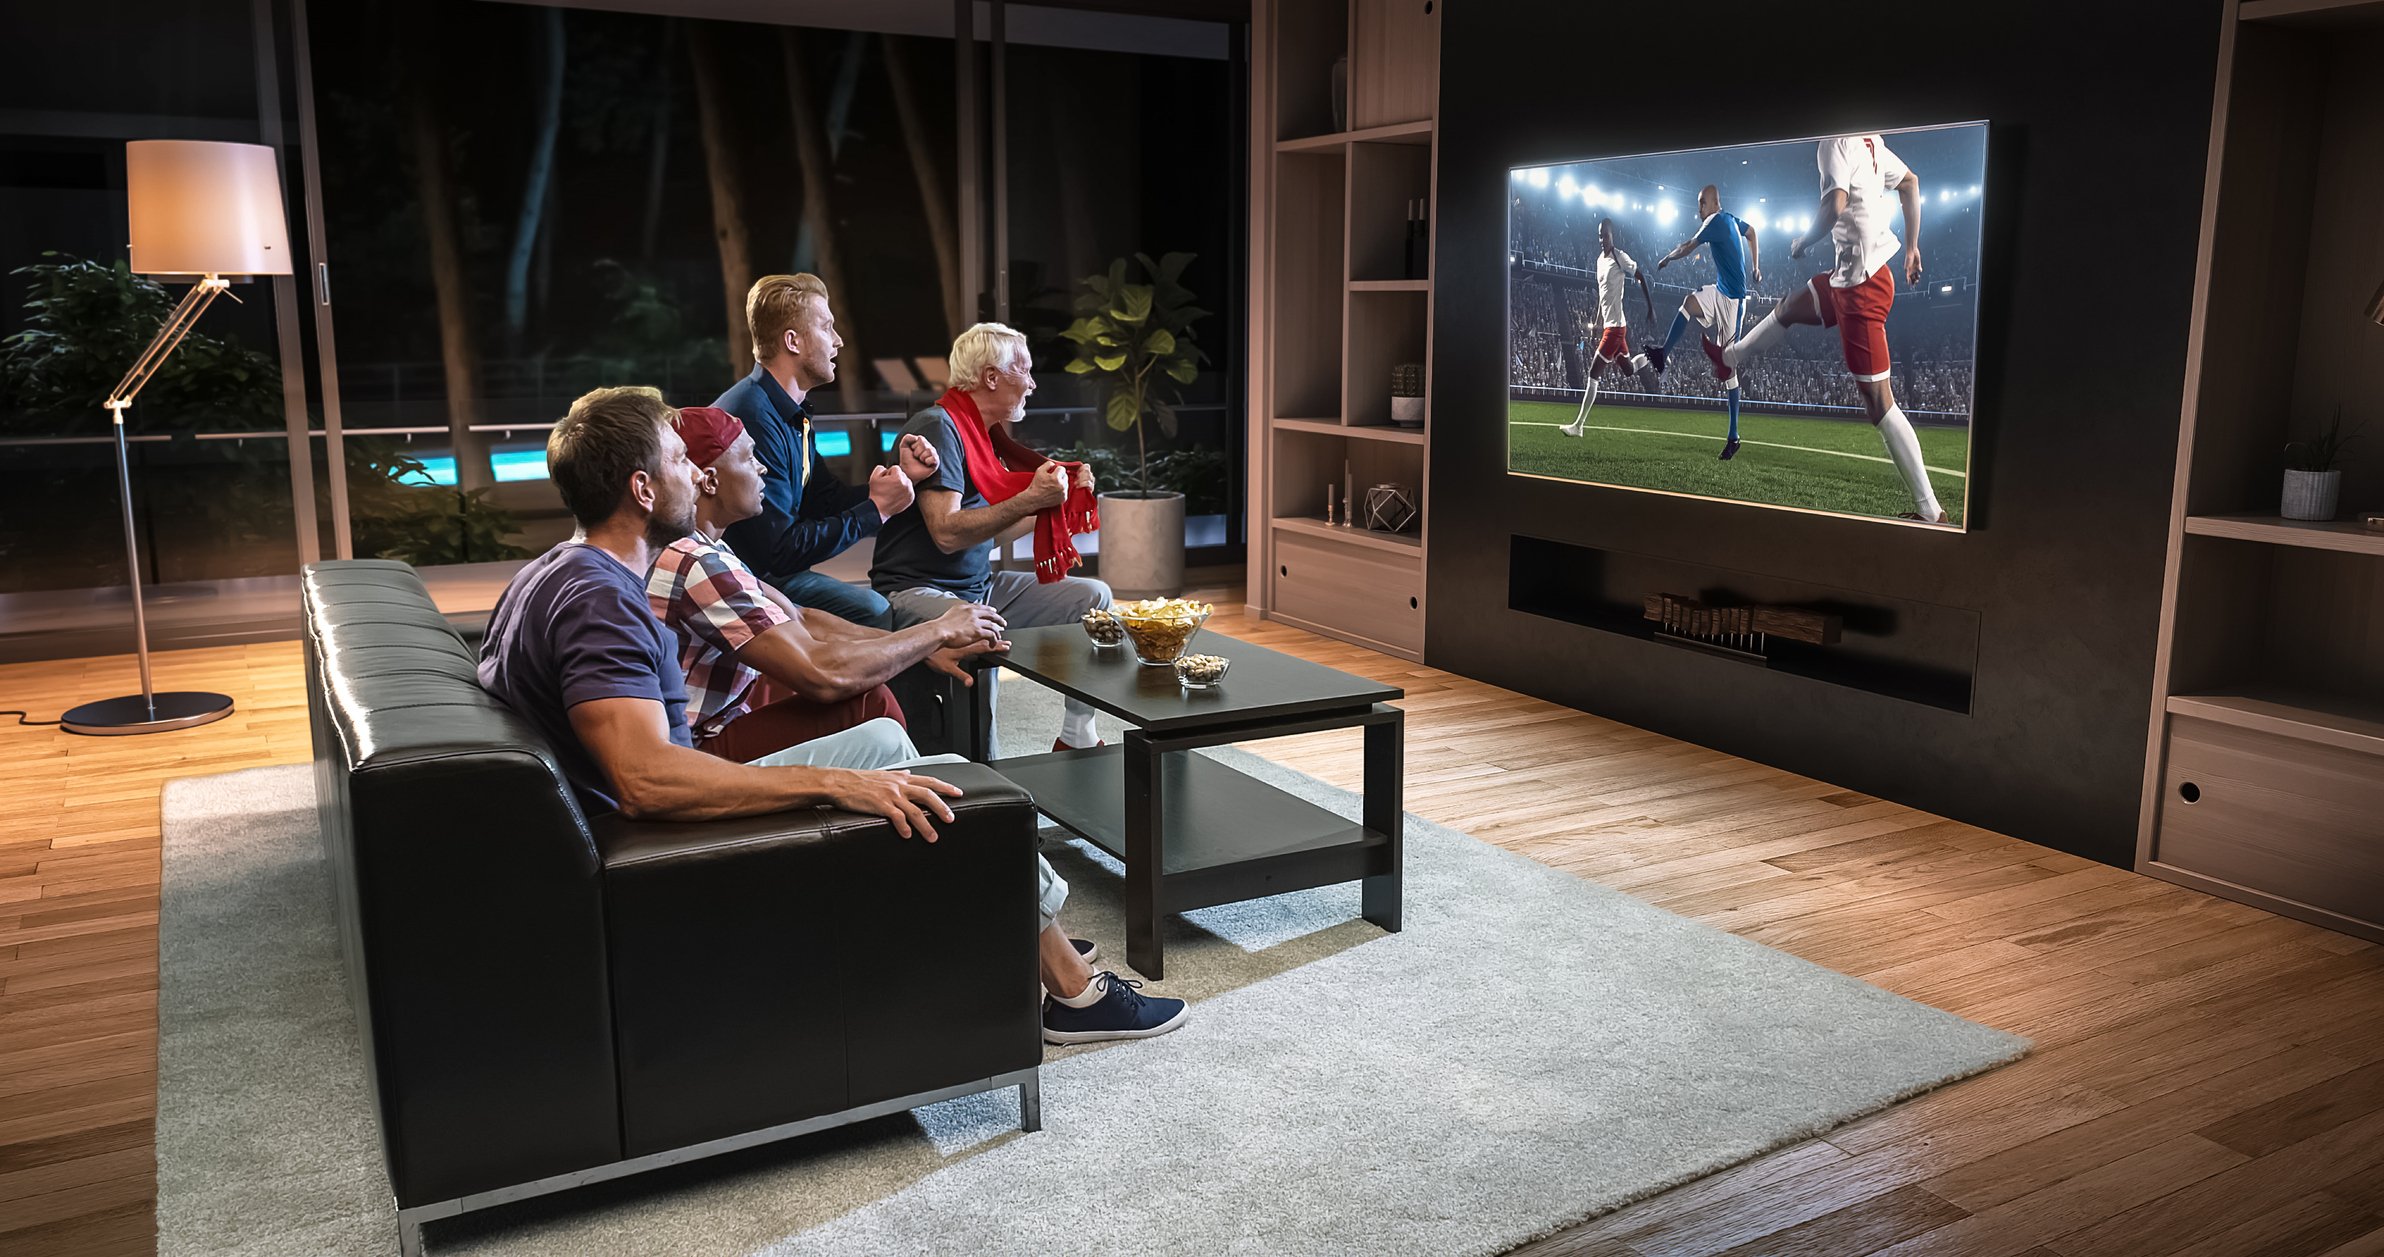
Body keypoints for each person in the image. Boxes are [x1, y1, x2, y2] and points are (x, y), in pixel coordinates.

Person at [480, 385, 1183, 1044]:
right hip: (639, 847)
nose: (695, 478)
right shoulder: (600, 598)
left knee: (885, 737)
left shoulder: (560, 569)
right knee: (909, 767)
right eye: (677, 463)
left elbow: (793, 624)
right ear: (641, 487)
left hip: (619, 824)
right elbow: (644, 779)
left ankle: (1006, 921)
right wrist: (829, 781)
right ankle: (1072, 987)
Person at [648, 404, 1013, 764]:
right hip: (696, 750)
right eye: (749, 458)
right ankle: (933, 796)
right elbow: (823, 673)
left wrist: (923, 647)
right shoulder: (697, 562)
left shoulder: (709, 548)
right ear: (709, 480)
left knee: (872, 696)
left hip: (716, 722)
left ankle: (923, 786)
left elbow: (800, 617)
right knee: (868, 704)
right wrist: (938, 631)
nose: (762, 468)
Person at [871, 322, 1111, 756]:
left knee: (1094, 598)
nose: (1034, 384)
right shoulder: (939, 426)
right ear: (992, 377)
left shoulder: (983, 435)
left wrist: (1056, 502)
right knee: (980, 625)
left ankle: (1076, 736)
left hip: (978, 587)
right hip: (914, 590)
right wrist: (1030, 499)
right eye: (1027, 371)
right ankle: (988, 777)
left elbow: (989, 534)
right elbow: (946, 533)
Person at [1723, 134, 1948, 523]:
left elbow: (1834, 205)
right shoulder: (1868, 139)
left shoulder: (1834, 141)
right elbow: (1910, 182)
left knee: (1879, 404)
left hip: (1861, 288)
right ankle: (1732, 356)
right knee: (1789, 306)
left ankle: (1931, 513)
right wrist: (1911, 248)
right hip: (1850, 276)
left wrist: (1803, 241)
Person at [714, 273, 923, 627]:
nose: (838, 341)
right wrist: (876, 511)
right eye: (827, 327)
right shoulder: (752, 416)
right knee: (873, 610)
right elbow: (780, 552)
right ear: (792, 341)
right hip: (750, 578)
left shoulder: (786, 410)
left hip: (770, 569)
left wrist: (898, 484)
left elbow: (824, 499)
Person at [1645, 184, 1761, 459]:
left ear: (1713, 203)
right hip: (1720, 291)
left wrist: (1667, 258)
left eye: (1701, 204)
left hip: (1733, 304)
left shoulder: (1715, 221)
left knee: (1728, 368)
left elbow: (1687, 246)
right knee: (1688, 303)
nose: (1698, 210)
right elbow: (1753, 232)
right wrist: (1756, 266)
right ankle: (1662, 354)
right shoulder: (1731, 219)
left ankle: (1733, 437)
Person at [1560, 218, 1657, 438]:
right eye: (1599, 235)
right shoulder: (1599, 261)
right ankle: (1654, 355)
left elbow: (1641, 277)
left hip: (1615, 329)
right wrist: (1596, 322)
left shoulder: (1619, 257)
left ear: (1613, 235)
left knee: (1593, 375)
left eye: (1605, 235)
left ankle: (1578, 426)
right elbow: (1602, 296)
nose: (1602, 239)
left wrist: (1650, 307)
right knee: (1629, 370)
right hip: (1611, 326)